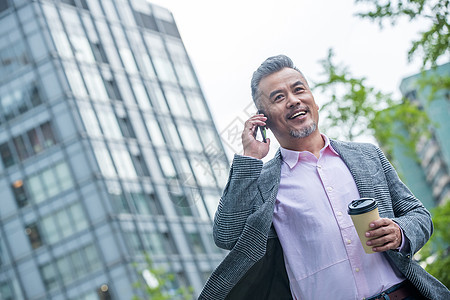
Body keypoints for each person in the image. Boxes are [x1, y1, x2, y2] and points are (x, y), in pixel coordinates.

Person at [199, 55, 449, 300]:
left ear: (314, 101)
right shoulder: (264, 183)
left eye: (299, 90)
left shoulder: (367, 156)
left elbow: (418, 214)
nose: (293, 101)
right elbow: (226, 235)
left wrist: (400, 232)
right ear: (263, 119)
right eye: (279, 97)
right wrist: (250, 158)